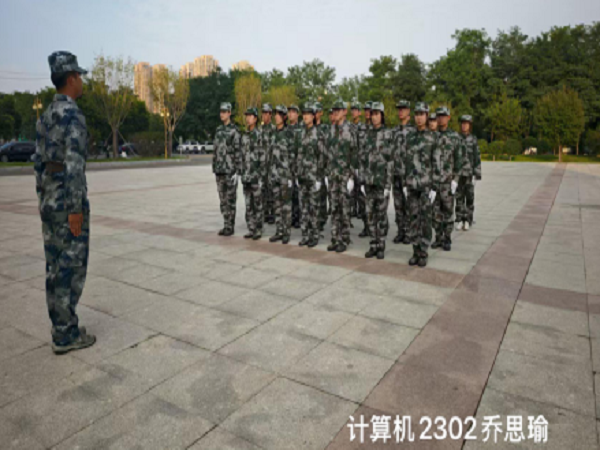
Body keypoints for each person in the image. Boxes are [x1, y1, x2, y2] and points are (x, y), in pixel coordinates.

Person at [34, 51, 95, 354]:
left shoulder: (45, 115)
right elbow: (73, 164)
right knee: (71, 266)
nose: (81, 81)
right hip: (67, 201)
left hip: (49, 199)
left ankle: (62, 325)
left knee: (54, 265)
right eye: (79, 76)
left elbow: (38, 162)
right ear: (71, 78)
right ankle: (65, 333)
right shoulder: (73, 115)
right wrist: (74, 209)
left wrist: (43, 196)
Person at [399, 102, 441, 268]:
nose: (419, 117)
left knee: (425, 220)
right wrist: (404, 182)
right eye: (416, 114)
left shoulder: (433, 138)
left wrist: (435, 187)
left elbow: (436, 163)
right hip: (412, 185)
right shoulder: (410, 137)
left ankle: (423, 252)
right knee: (413, 218)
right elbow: (405, 161)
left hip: (425, 186)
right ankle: (415, 250)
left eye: (422, 114)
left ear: (427, 115)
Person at [362, 102, 394, 259]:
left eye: (377, 114)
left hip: (381, 182)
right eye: (372, 114)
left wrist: (388, 184)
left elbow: (391, 160)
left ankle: (381, 245)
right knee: (370, 215)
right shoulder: (367, 134)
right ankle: (373, 244)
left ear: (382, 115)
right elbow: (362, 158)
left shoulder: (388, 134)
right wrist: (362, 179)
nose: (374, 117)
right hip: (369, 181)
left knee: (381, 216)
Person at [327, 99, 357, 253]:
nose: (335, 113)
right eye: (334, 110)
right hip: (333, 175)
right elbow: (328, 153)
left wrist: (352, 177)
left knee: (344, 209)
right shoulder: (331, 129)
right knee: (334, 208)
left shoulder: (350, 129)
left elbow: (354, 153)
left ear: (344, 112)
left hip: (345, 176)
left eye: (338, 110)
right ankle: (335, 238)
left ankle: (344, 239)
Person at [431, 106, 461, 251]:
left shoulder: (454, 137)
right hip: (434, 182)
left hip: (448, 182)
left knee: (448, 211)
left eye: (443, 116)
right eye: (439, 116)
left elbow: (459, 160)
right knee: (435, 212)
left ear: (448, 118)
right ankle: (438, 237)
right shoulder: (432, 137)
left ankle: (447, 238)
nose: (441, 118)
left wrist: (456, 180)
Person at [297, 103, 324, 247]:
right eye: (304, 114)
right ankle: (305, 235)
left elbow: (321, 157)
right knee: (304, 208)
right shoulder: (300, 133)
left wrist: (319, 177)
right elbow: (298, 155)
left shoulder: (318, 133)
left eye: (308, 114)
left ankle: (314, 235)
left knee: (314, 208)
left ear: (313, 116)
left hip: (313, 177)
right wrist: (297, 174)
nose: (305, 116)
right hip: (302, 176)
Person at [213, 102, 241, 236]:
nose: (222, 114)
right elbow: (215, 150)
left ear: (229, 113)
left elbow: (238, 152)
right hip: (219, 170)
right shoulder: (218, 130)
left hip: (230, 171)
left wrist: (237, 171)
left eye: (224, 112)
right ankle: (226, 224)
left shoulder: (234, 131)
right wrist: (214, 167)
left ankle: (230, 226)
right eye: (221, 111)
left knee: (230, 200)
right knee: (222, 200)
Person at [240, 107, 266, 240]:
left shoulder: (259, 135)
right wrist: (240, 172)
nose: (248, 118)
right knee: (248, 204)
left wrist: (262, 176)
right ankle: (251, 228)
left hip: (256, 176)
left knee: (258, 204)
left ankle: (258, 229)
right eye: (247, 116)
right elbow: (241, 156)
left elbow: (263, 157)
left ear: (255, 118)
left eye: (250, 116)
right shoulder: (244, 136)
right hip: (246, 176)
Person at [269, 105, 293, 244]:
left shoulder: (289, 133)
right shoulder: (273, 133)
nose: (276, 116)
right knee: (276, 205)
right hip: (274, 174)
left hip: (285, 175)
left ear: (284, 117)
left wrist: (291, 176)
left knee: (286, 206)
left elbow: (293, 156)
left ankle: (286, 232)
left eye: (279, 114)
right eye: (275, 114)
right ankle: (279, 231)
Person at [392, 100, 414, 245]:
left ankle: (409, 232)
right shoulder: (394, 131)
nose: (400, 111)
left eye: (403, 109)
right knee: (398, 204)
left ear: (408, 111)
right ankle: (401, 231)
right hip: (396, 174)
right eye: (399, 109)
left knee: (409, 205)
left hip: (408, 175)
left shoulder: (413, 132)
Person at [456, 115, 482, 231]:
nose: (464, 125)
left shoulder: (473, 139)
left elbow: (477, 156)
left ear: (470, 125)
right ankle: (459, 219)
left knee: (469, 197)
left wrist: (477, 174)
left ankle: (468, 219)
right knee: (459, 197)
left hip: (469, 174)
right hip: (458, 174)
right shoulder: (457, 138)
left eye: (466, 124)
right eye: (462, 123)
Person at [351, 101, 369, 237]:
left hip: (366, 168)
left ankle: (370, 226)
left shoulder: (366, 128)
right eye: (352, 110)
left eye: (356, 110)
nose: (353, 112)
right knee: (355, 197)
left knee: (365, 199)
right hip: (355, 167)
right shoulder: (351, 127)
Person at [315, 102, 329, 232]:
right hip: (311, 169)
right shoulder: (309, 129)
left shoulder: (325, 129)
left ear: (321, 113)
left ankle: (322, 219)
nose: (315, 114)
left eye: (317, 111)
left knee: (322, 196)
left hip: (323, 168)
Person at [287, 104, 302, 229]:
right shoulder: (285, 129)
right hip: (287, 166)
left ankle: (298, 217)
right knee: (288, 193)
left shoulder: (301, 129)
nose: (290, 114)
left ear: (297, 114)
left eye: (293, 112)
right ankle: (291, 217)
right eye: (289, 112)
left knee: (298, 193)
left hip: (298, 166)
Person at [261, 104, 276, 225]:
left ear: (270, 114)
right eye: (263, 113)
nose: (264, 115)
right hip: (262, 166)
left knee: (271, 190)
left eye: (266, 113)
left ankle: (272, 213)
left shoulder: (274, 130)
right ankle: (265, 213)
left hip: (271, 165)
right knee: (262, 190)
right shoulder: (259, 130)